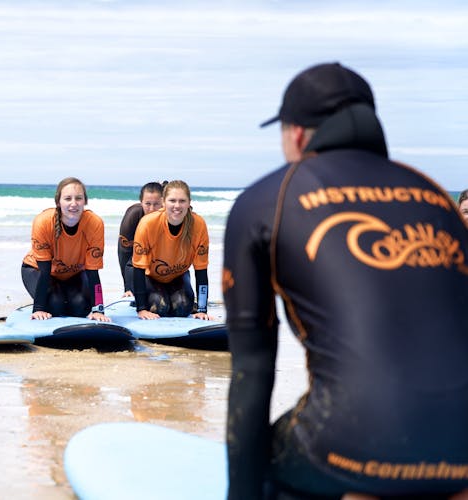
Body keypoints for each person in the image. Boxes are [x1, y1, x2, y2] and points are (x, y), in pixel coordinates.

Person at [222, 62, 468, 499]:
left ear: (296, 133)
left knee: (272, 459)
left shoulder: (267, 199)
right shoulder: (435, 196)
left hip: (351, 446)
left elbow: (252, 371)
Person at [21, 177, 110, 321]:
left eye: (79, 198)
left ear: (85, 201)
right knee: (55, 305)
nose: (73, 204)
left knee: (81, 307)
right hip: (37, 270)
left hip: (73, 274)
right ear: (58, 202)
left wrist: (98, 309)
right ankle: (56, 297)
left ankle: (64, 296)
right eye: (68, 198)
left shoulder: (95, 224)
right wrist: (38, 309)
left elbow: (93, 272)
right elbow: (45, 271)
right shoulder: (43, 222)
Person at [131, 180, 213, 320]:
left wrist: (202, 309)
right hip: (149, 277)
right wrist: (142, 309)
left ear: (189, 202)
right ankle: (146, 300)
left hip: (178, 277)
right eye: (172, 200)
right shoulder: (148, 224)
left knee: (182, 308)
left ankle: (176, 299)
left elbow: (201, 270)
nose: (177, 206)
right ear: (163, 202)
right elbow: (138, 269)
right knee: (160, 306)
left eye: (182, 201)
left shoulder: (198, 225)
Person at [117, 181, 166, 296]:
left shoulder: (170, 216)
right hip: (136, 258)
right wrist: (128, 288)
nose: (152, 209)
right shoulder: (133, 216)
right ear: (141, 202)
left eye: (156, 204)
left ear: (163, 203)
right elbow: (124, 255)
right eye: (147, 204)